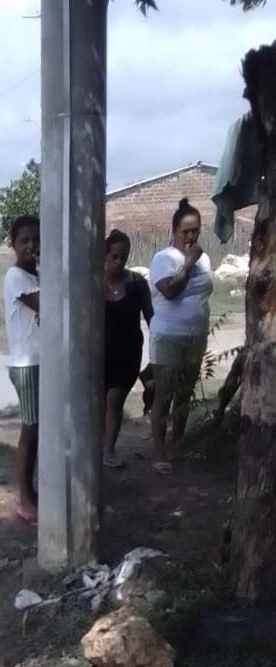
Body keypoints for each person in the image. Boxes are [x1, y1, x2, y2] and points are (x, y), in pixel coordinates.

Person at [148, 198, 213, 472]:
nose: (190, 235)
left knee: (184, 395)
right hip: (168, 337)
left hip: (196, 336)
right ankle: (159, 453)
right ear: (174, 231)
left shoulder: (205, 258)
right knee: (164, 396)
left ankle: (177, 447)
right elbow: (170, 291)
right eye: (185, 231)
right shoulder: (163, 258)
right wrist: (187, 264)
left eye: (195, 230)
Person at [103, 229, 153, 467]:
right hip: (99, 355)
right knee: (98, 403)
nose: (119, 261)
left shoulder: (137, 284)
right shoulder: (93, 283)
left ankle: (109, 451)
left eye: (124, 256)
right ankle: (95, 448)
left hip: (128, 353)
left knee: (114, 400)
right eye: (114, 256)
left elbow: (152, 318)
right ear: (104, 255)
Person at [3, 214, 40, 524]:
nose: (32, 246)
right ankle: (24, 500)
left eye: (37, 240)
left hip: (41, 362)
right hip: (26, 364)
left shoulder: (36, 276)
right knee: (29, 432)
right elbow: (51, 305)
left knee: (39, 431)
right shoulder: (16, 277)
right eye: (25, 240)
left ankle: (32, 492)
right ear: (13, 245)